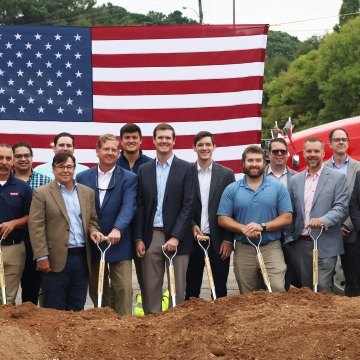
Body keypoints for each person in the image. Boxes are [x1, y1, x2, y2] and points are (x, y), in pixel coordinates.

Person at [134, 123, 197, 314]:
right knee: (150, 289)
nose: (164, 141)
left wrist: (176, 236)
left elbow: (189, 205)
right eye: (160, 137)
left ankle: (174, 333)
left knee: (177, 290)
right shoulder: (144, 170)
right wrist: (138, 238)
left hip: (178, 239)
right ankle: (151, 332)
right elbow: (140, 207)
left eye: (168, 138)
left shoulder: (187, 169)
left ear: (174, 141)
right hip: (150, 236)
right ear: (153, 141)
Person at [29, 153, 103, 311]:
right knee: (54, 308)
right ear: (54, 169)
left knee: (77, 306)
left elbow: (92, 221)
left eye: (69, 167)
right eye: (61, 167)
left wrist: (94, 231)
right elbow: (36, 226)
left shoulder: (87, 192)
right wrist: (41, 256)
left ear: (74, 169)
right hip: (54, 259)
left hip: (82, 258)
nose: (65, 170)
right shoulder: (41, 193)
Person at [217, 145, 292, 294]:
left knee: (277, 289)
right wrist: (243, 228)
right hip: (244, 248)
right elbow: (222, 218)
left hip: (271, 247)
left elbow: (287, 217)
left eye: (258, 160)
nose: (254, 164)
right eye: (250, 160)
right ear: (243, 163)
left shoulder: (278, 188)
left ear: (264, 163)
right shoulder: (232, 189)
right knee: (248, 295)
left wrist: (262, 226)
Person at [76, 134, 137, 315]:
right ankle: (104, 328)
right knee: (97, 290)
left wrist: (118, 229)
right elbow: (80, 209)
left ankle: (125, 327)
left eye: (114, 150)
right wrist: (91, 230)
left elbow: (129, 206)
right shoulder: (82, 177)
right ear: (97, 151)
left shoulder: (129, 178)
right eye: (106, 149)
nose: (110, 153)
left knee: (123, 288)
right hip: (93, 243)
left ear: (119, 153)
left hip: (119, 242)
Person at [285, 137, 349, 293]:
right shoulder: (294, 180)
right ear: (303, 154)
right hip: (301, 244)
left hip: (326, 243)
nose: (312, 154)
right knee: (306, 290)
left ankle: (328, 318)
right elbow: (289, 211)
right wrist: (288, 238)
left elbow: (341, 207)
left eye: (316, 151)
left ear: (323, 153)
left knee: (322, 287)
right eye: (309, 151)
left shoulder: (338, 178)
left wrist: (322, 220)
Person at [185, 131, 235, 299]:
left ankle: (221, 324)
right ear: (194, 148)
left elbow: (231, 209)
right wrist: (192, 225)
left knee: (219, 290)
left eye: (208, 144)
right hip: (193, 240)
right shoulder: (186, 172)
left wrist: (228, 239)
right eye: (200, 145)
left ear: (214, 147)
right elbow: (182, 205)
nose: (204, 148)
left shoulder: (226, 174)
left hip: (219, 241)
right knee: (191, 290)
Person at [117, 123, 152, 309]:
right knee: (121, 284)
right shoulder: (113, 164)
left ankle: (150, 319)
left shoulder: (150, 164)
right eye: (127, 138)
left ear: (140, 140)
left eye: (134, 138)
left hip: (144, 230)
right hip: (118, 230)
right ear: (121, 141)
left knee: (147, 280)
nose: (131, 141)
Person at [12, 142, 51, 305]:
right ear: (13, 159)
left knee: (32, 289)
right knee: (7, 289)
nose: (23, 159)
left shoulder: (45, 181)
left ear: (32, 158)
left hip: (36, 242)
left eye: (26, 155)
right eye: (18, 156)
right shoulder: (5, 181)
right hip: (11, 241)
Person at [325, 128, 360, 296]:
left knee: (354, 282)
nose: (341, 142)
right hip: (328, 231)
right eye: (337, 139)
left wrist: (347, 225)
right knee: (324, 280)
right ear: (330, 143)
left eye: (344, 139)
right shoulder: (322, 169)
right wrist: (332, 223)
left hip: (352, 233)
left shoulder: (359, 168)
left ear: (348, 142)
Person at [0, 144, 32, 305]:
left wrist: (13, 223)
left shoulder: (23, 187)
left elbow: (31, 216)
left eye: (8, 158)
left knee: (7, 299)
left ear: (12, 161)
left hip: (14, 248)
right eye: (0, 158)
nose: (4, 162)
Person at [265, 138, 297, 289]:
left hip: (290, 235)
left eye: (282, 151)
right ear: (268, 154)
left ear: (288, 154)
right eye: (275, 151)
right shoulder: (258, 177)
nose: (279, 154)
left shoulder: (298, 178)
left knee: (287, 275)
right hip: (265, 233)